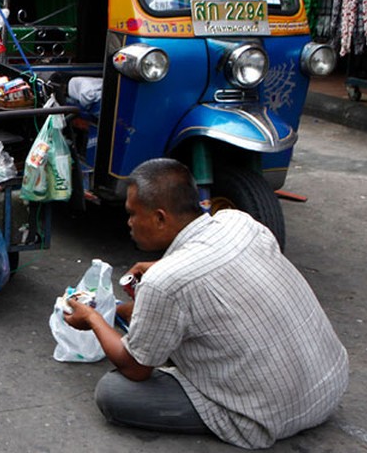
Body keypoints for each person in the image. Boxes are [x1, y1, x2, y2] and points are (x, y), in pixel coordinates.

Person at [64, 158, 349, 449]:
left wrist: (93, 319)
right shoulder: (238, 222)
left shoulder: (165, 281)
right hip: (327, 385)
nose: (129, 223)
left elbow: (136, 368)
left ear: (160, 218)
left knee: (114, 393)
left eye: (133, 214)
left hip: (268, 415)